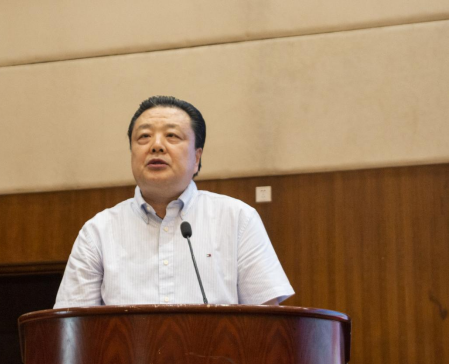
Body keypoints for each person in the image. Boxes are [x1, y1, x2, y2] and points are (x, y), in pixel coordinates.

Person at [54, 96, 294, 308]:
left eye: (172, 136)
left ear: (197, 158)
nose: (156, 146)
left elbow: (266, 323)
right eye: (144, 136)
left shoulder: (238, 218)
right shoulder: (98, 231)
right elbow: (72, 326)